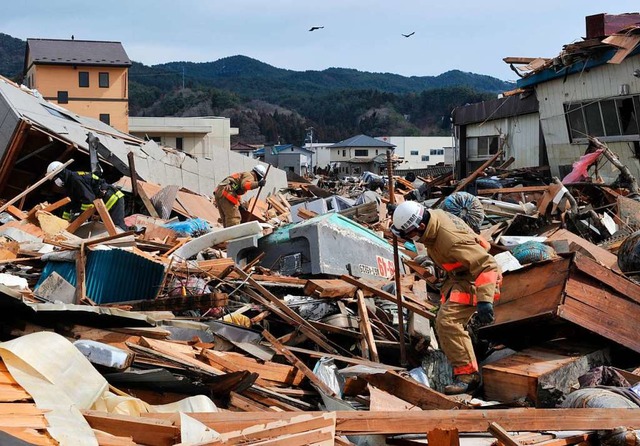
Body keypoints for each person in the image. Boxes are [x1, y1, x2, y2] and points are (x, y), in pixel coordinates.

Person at [390, 201, 501, 395]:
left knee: (447, 322)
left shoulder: (450, 240)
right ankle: (472, 349)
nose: (410, 238)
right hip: (460, 275)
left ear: (421, 227)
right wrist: (399, 211)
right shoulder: (433, 217)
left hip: (479, 279)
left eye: (409, 234)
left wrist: (485, 301)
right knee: (443, 316)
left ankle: (469, 377)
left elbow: (487, 265)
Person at [47, 161, 127, 230]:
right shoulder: (70, 184)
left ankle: (128, 244)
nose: (55, 182)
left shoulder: (76, 179)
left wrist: (81, 218)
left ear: (61, 174)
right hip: (103, 203)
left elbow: (88, 200)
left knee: (117, 226)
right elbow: (70, 203)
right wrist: (64, 221)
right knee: (104, 229)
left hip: (112, 199)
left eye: (55, 178)